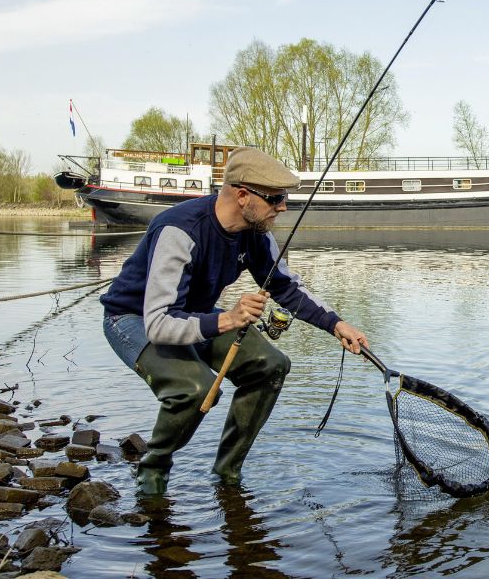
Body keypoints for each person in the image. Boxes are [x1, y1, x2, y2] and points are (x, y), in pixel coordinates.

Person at [101, 146, 369, 494]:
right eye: (275, 199)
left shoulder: (256, 234)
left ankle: (228, 473)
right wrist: (226, 321)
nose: (283, 207)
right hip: (134, 319)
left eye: (284, 198)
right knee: (193, 389)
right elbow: (159, 323)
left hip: (194, 316)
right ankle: (154, 471)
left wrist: (337, 325)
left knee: (271, 365)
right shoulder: (179, 231)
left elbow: (285, 287)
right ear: (243, 195)